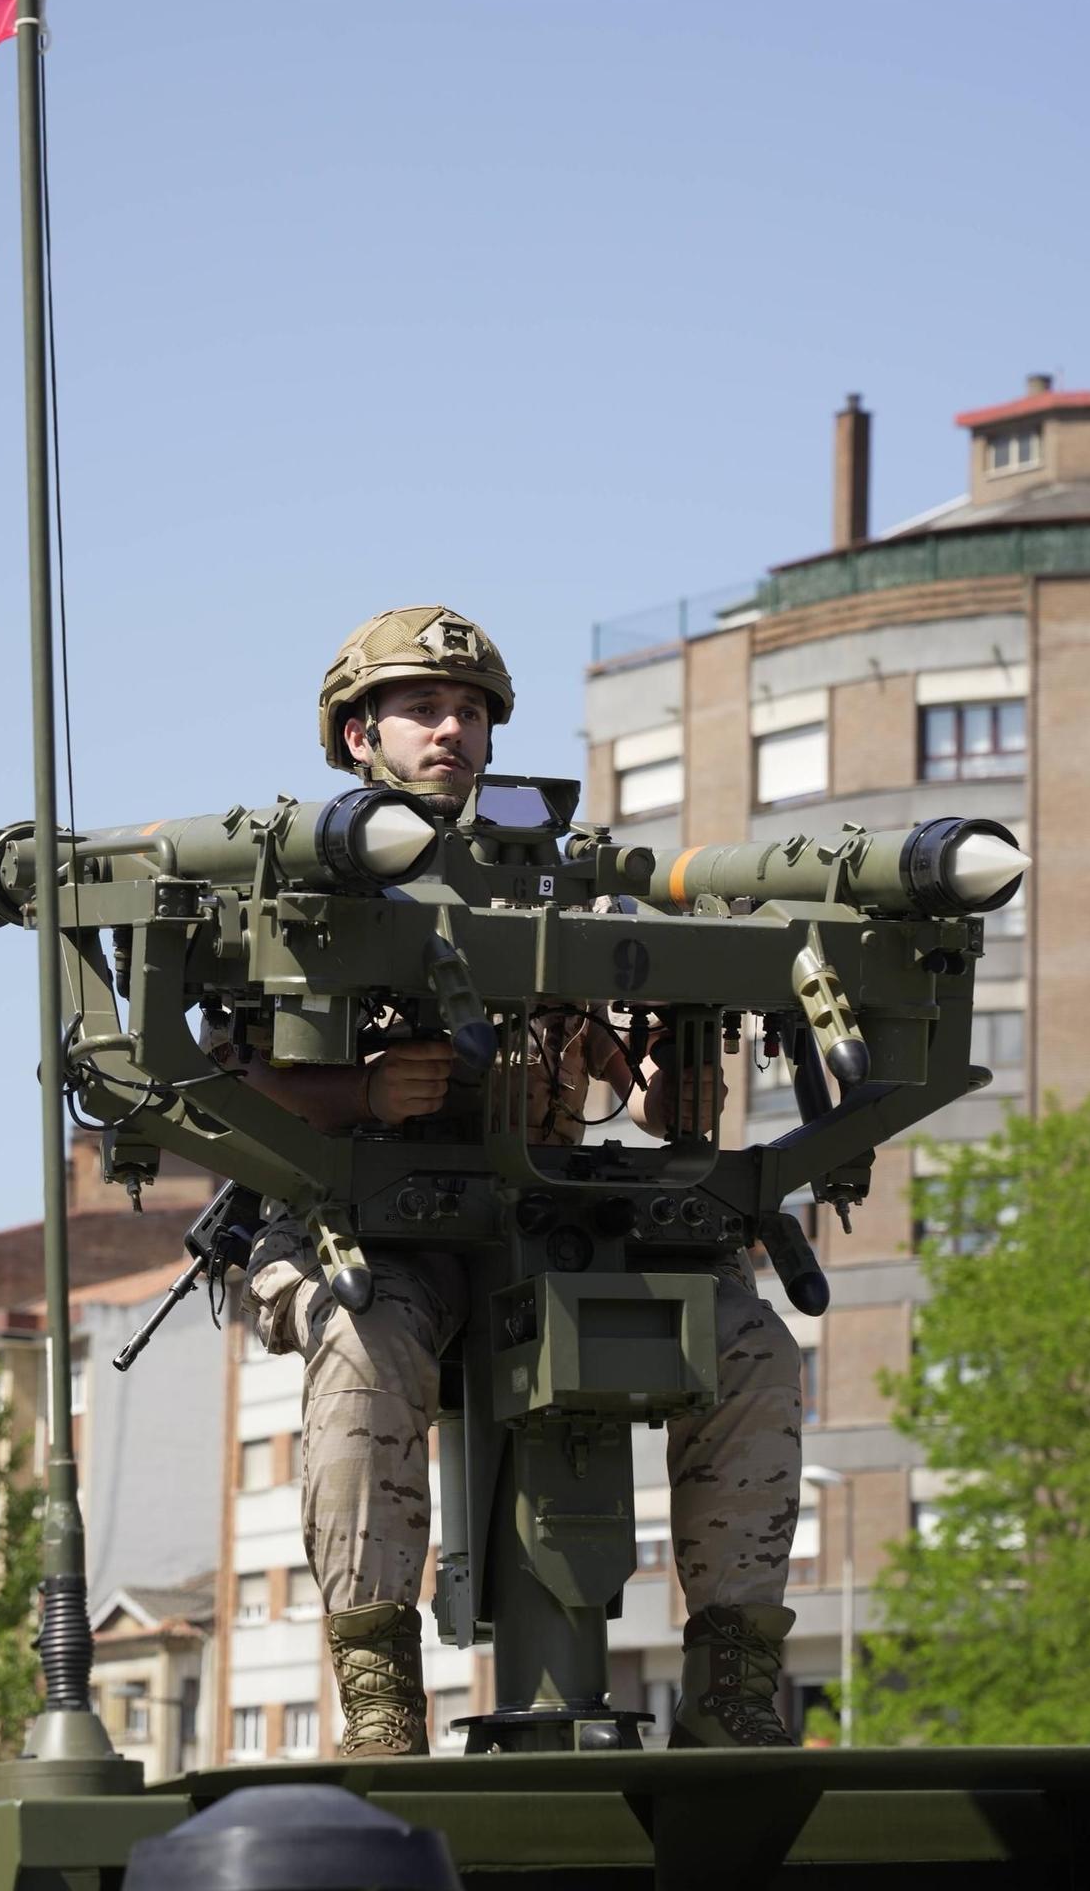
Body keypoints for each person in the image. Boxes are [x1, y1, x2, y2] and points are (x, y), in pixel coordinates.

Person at [208, 606, 802, 1756]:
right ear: (354, 736)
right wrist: (369, 1095)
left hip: (547, 1227)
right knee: (364, 1337)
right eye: (423, 708)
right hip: (369, 1230)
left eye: (472, 711)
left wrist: (674, 1086)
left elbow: (639, 1087)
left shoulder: (560, 888)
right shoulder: (298, 883)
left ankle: (733, 1681)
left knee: (749, 1345)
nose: (452, 730)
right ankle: (380, 1690)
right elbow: (235, 1070)